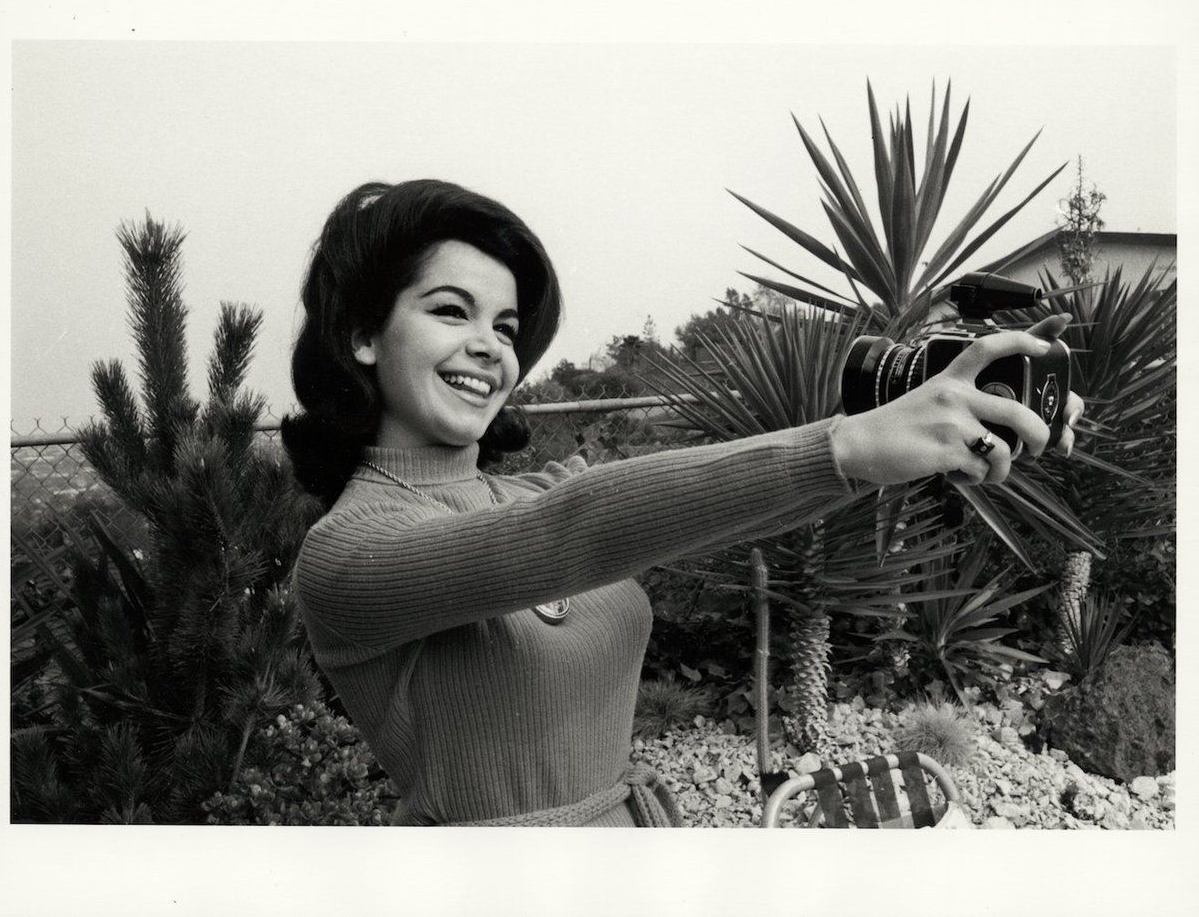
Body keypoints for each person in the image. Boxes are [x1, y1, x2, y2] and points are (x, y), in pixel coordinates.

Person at [282, 178, 1082, 827]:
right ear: (362, 334)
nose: (491, 346)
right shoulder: (349, 553)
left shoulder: (522, 488)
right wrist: (850, 446)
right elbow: (575, 529)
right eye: (450, 310)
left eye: (508, 325)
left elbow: (681, 500)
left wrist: (929, 411)